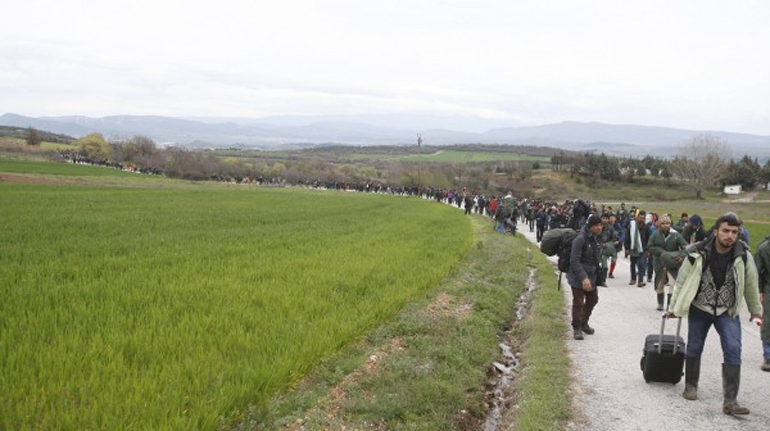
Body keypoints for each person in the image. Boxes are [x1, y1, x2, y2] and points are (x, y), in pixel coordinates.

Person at [667, 213, 762, 415]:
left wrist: (756, 311)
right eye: (726, 231)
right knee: (694, 345)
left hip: (727, 310)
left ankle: (731, 401)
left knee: (733, 348)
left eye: (734, 232)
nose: (730, 236)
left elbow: (751, 285)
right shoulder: (697, 253)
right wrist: (674, 307)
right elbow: (682, 281)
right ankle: (690, 387)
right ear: (716, 231)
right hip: (700, 307)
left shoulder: (743, 256)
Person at [567, 214, 603, 340]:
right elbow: (574, 260)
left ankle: (583, 323)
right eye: (596, 225)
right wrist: (583, 278)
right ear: (590, 226)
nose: (599, 228)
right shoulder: (580, 239)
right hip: (577, 276)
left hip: (591, 275)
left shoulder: (596, 238)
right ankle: (577, 327)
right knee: (578, 302)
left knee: (593, 299)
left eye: (600, 225)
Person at [647, 214, 688, 311]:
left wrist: (682, 256)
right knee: (659, 284)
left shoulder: (676, 235)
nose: (665, 225)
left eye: (668, 223)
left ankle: (670, 305)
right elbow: (649, 247)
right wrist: (660, 252)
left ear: (670, 224)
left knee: (673, 284)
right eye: (663, 223)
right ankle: (660, 304)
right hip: (659, 263)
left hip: (672, 263)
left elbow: (686, 247)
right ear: (659, 224)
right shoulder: (655, 235)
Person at [754, 235, 770, 371]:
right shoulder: (764, 248)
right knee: (768, 323)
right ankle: (768, 356)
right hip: (769, 288)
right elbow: (757, 271)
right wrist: (759, 290)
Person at [626, 210, 651, 287]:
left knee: (641, 265)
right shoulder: (631, 226)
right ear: (637, 217)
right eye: (640, 218)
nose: (641, 220)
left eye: (643, 218)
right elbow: (627, 237)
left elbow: (649, 239)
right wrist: (627, 248)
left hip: (642, 249)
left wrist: (648, 250)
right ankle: (633, 279)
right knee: (633, 264)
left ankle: (640, 281)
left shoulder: (646, 228)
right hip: (633, 248)